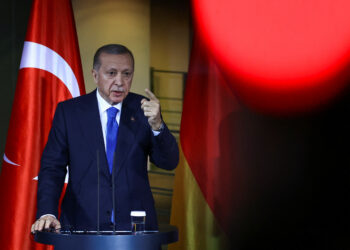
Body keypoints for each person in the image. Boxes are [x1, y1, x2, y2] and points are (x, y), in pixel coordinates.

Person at [31, 44, 179, 232]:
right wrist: (47, 213)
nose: (120, 82)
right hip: (81, 227)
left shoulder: (144, 110)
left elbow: (169, 162)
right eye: (111, 73)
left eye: (127, 74)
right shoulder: (69, 112)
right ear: (94, 75)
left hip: (135, 231)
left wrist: (158, 126)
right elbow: (52, 168)